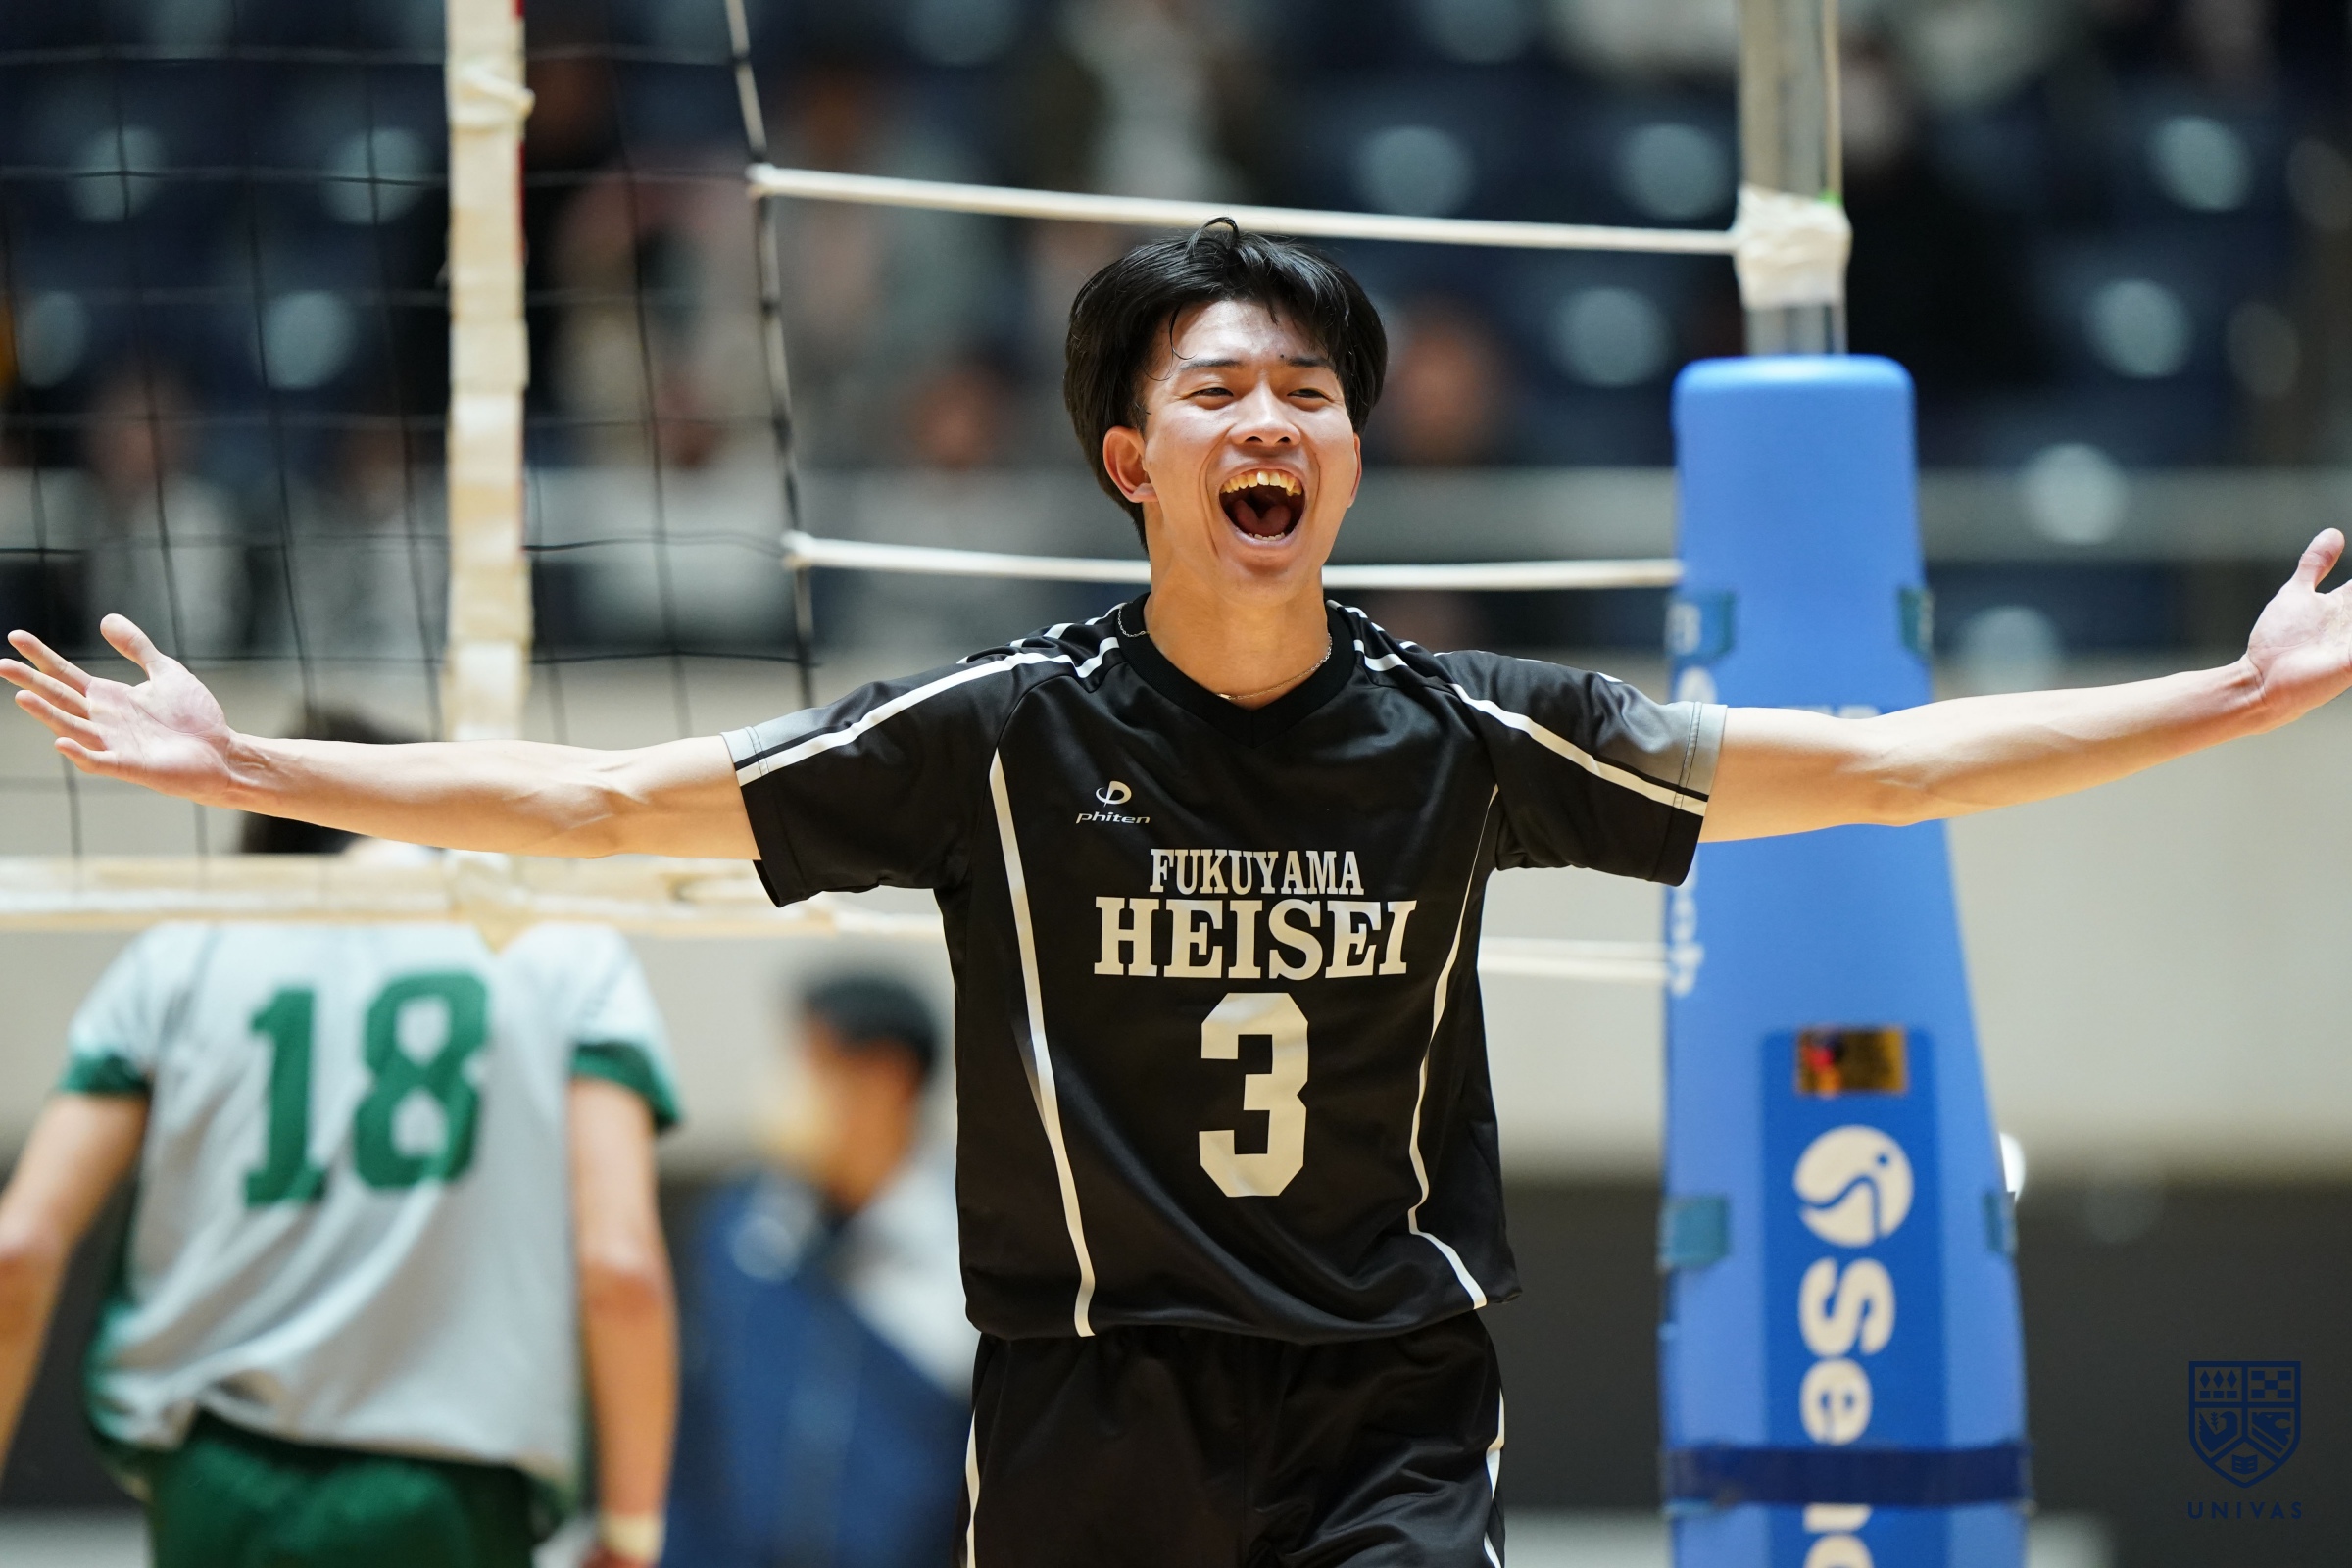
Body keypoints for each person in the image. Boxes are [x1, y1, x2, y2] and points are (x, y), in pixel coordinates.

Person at [5, 221, 2350, 1566]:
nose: (1273, 422)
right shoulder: (1002, 731)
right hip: (1087, 1405)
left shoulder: (1466, 728)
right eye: (1223, 391)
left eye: (1311, 392)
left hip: (1383, 1401)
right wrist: (251, 760)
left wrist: (2232, 698)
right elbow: (616, 799)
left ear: (1346, 454)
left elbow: (1878, 765)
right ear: (1131, 455)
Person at [0, 710, 683, 1568]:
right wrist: (629, 1532)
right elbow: (620, 1270)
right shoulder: (566, 951)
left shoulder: (180, 954)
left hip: (218, 1479)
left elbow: (18, 1249)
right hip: (453, 1495)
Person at [668, 975, 971, 1568]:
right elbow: (692, 1433)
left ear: (888, 1078)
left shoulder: (972, 1252)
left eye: (815, 1061)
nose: (789, 1088)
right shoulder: (738, 1226)